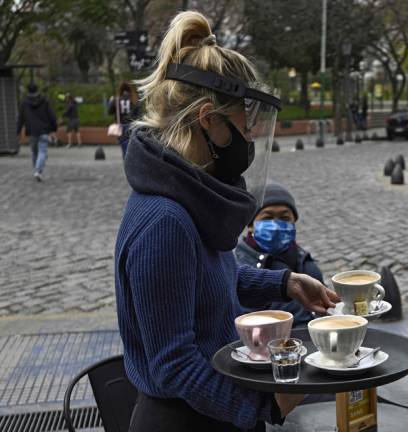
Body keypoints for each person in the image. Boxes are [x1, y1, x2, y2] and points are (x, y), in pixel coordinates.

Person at [114, 11, 339, 432]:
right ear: (208, 119)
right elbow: (173, 366)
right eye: (244, 120)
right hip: (186, 422)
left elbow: (204, 280)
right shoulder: (165, 220)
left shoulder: (189, 196)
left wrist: (284, 283)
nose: (250, 134)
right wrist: (264, 410)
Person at [235, 182, 319, 327]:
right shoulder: (240, 268)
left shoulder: (303, 258)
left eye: (284, 218)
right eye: (267, 218)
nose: (275, 225)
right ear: (250, 224)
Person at [17, 83, 57, 181]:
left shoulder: (24, 103)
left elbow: (20, 118)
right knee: (42, 152)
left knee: (34, 152)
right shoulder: (45, 101)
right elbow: (51, 116)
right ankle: (38, 171)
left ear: (28, 91)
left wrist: (18, 132)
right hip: (44, 130)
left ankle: (36, 171)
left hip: (31, 131)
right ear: (37, 90)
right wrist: (53, 129)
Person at [109, 81, 141, 158]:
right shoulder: (134, 99)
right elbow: (138, 114)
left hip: (121, 126)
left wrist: (111, 102)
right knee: (132, 145)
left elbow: (110, 112)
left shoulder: (116, 100)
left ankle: (126, 161)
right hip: (132, 125)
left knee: (123, 146)